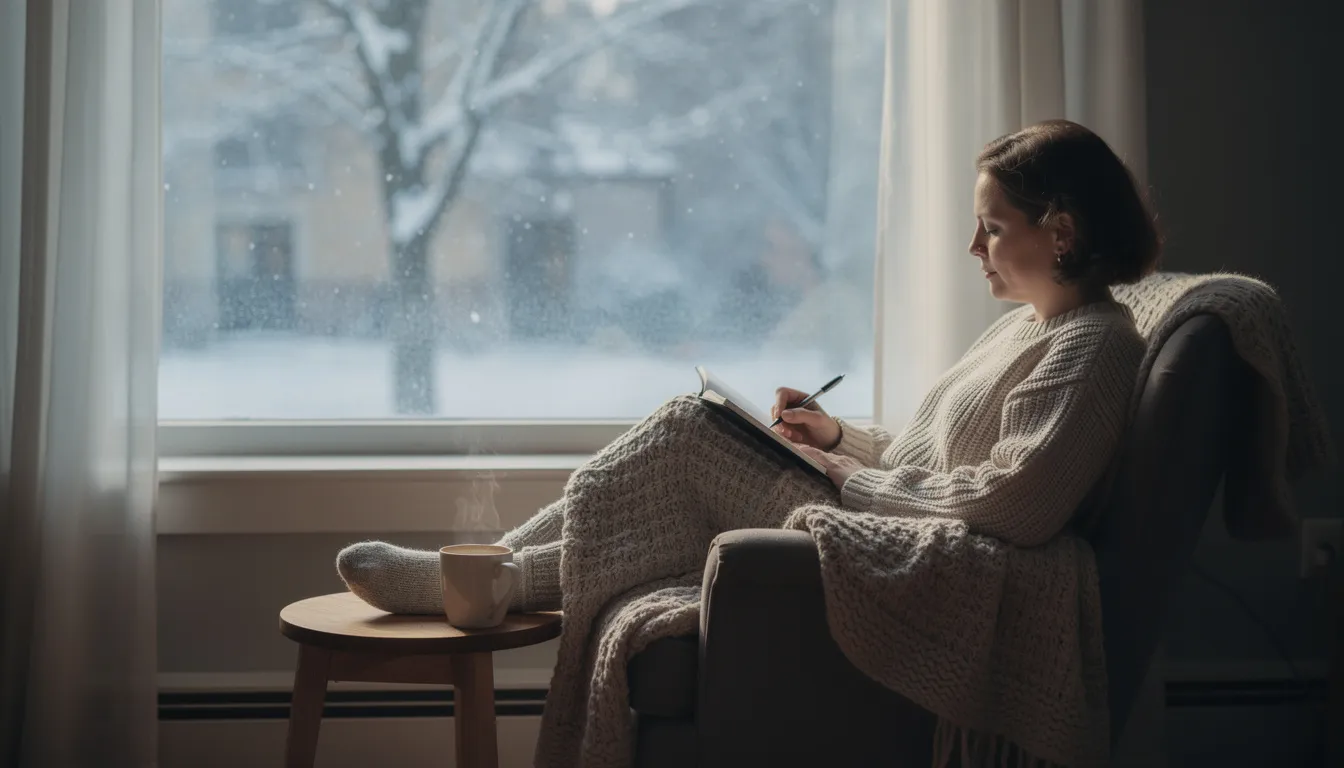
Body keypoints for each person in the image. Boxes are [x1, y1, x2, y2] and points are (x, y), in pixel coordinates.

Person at [337, 118, 1158, 624]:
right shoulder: (1025, 329)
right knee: (693, 428)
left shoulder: (1096, 344)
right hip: (893, 512)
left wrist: (846, 478)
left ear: (1060, 230)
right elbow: (932, 459)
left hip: (922, 550)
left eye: (990, 227)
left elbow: (1013, 502)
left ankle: (495, 578)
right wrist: (835, 436)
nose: (973, 248)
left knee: (691, 434)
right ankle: (491, 569)